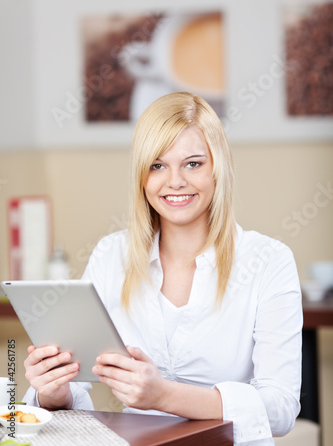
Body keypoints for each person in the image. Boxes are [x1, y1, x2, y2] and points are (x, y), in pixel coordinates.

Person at [23, 92, 302, 445]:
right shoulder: (112, 255)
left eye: (193, 163)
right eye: (157, 165)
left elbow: (280, 408)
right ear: (142, 176)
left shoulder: (268, 261)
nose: (175, 182)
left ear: (219, 167)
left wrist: (163, 396)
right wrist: (53, 390)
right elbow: (73, 394)